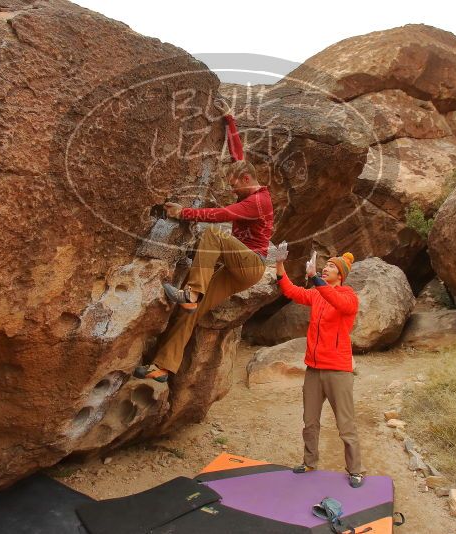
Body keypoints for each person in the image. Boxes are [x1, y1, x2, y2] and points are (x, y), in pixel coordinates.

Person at [134, 99, 274, 383]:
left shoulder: (258, 201)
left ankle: (192, 292)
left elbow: (221, 214)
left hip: (251, 265)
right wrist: (230, 120)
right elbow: (238, 156)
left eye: (234, 184)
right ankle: (163, 367)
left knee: (214, 233)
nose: (231, 188)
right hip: (236, 266)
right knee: (191, 311)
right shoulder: (248, 186)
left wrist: (184, 212)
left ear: (246, 179)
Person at [275, 248, 365, 488]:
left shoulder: (348, 296)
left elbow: (335, 301)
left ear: (341, 275)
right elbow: (292, 291)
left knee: (345, 424)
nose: (327, 268)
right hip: (314, 369)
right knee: (310, 421)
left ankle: (355, 470)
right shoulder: (317, 295)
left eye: (331, 267)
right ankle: (310, 461)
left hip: (338, 371)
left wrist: (316, 278)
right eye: (325, 266)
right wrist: (279, 265)